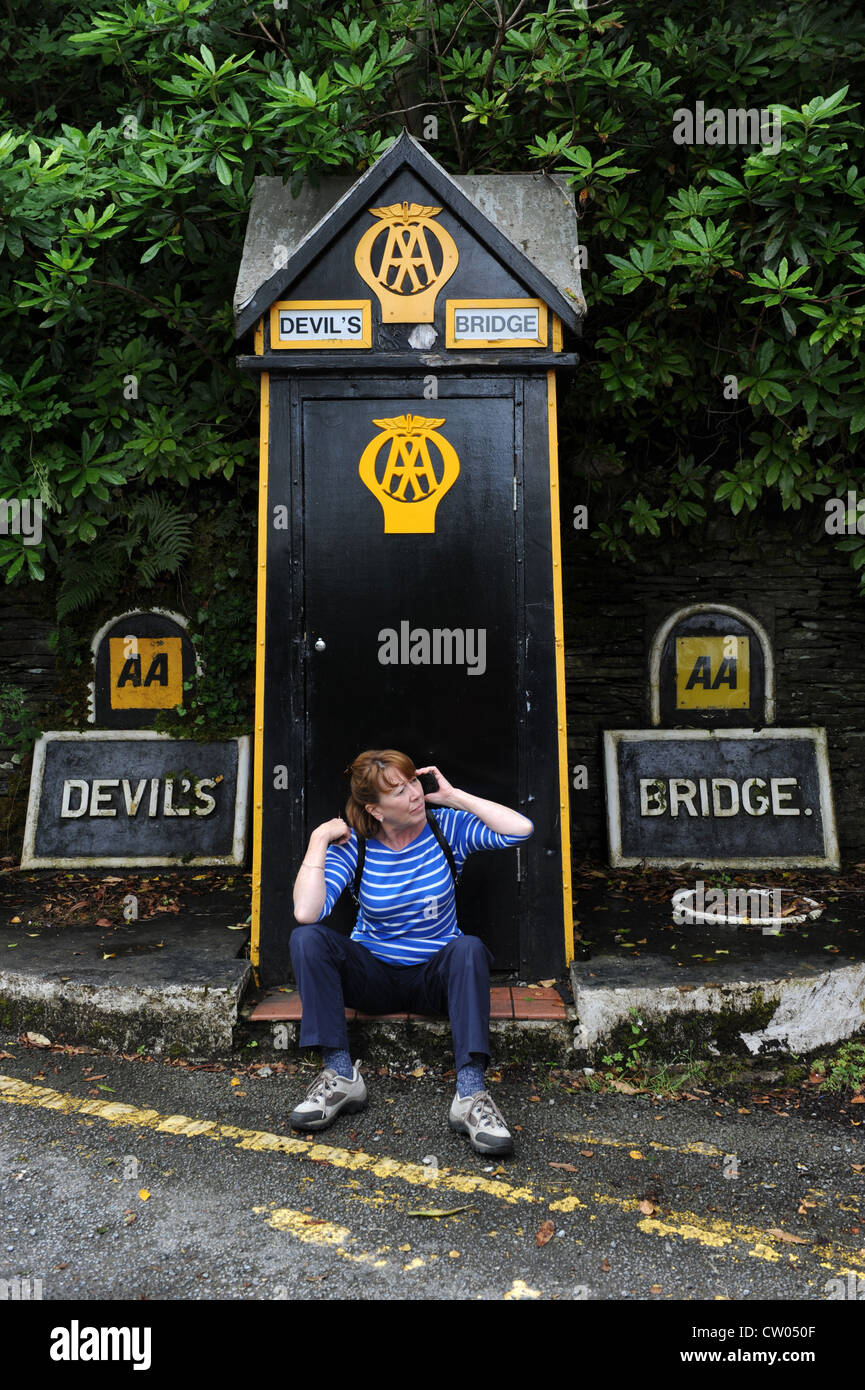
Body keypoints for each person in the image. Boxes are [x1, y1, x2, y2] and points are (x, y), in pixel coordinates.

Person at [289, 749, 533, 1156]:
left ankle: (471, 1095)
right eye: (398, 792)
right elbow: (306, 912)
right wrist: (318, 840)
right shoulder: (357, 845)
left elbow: (521, 829)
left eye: (413, 783)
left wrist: (458, 798)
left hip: (434, 977)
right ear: (376, 810)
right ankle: (340, 1074)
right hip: (374, 977)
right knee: (307, 939)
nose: (414, 795)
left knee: (468, 948)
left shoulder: (445, 829)